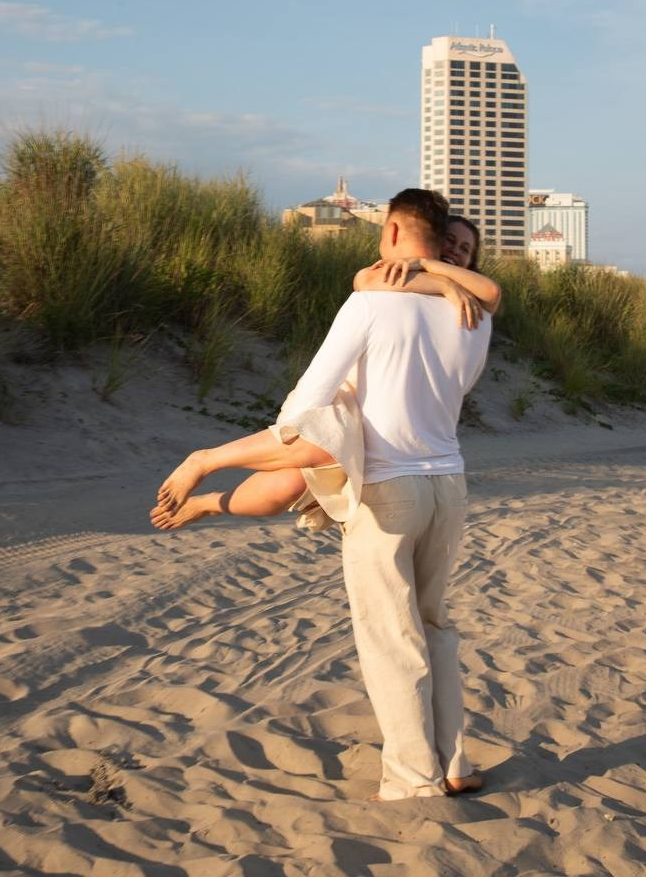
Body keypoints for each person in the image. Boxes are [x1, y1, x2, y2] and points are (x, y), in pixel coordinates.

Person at [153, 190, 492, 799]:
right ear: (440, 245)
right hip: (449, 484)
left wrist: (213, 458)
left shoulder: (368, 304)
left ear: (391, 232)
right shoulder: (473, 317)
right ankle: (455, 762)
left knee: (393, 638)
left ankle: (414, 780)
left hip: (391, 491)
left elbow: (305, 410)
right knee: (434, 626)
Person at [149, 213, 497, 531]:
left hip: (396, 441)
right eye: (449, 241)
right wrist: (436, 277)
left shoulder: (471, 307)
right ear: (429, 241)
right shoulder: (395, 275)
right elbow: (364, 279)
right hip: (346, 404)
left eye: (465, 249)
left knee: (280, 491)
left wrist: (445, 282)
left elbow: (491, 292)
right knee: (320, 450)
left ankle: (210, 504)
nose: (455, 251)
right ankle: (203, 460)